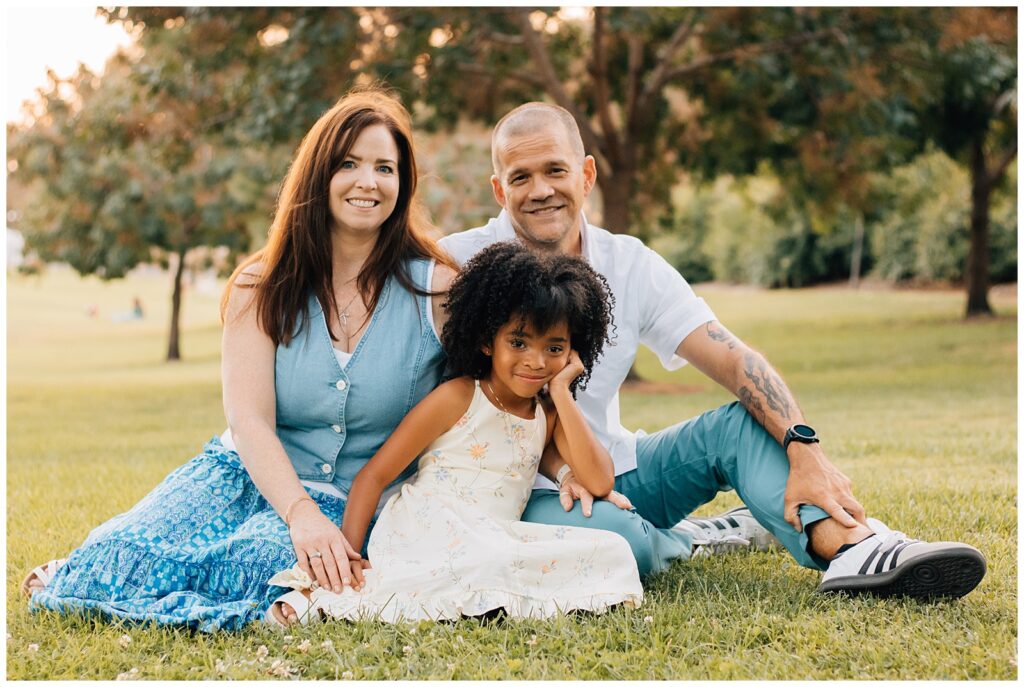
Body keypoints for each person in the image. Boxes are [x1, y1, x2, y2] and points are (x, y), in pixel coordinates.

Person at [438, 102, 987, 600]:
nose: (540, 190)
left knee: (742, 427)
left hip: (616, 471)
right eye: (521, 177)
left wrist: (806, 449)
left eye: (555, 170)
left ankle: (855, 548)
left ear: (585, 174)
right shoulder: (455, 267)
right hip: (517, 493)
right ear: (498, 189)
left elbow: (731, 358)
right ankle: (697, 537)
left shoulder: (629, 264)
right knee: (622, 542)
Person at [22, 87, 460, 631]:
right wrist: (298, 515)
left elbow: (487, 398)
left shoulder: (437, 291)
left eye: (384, 167)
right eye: (348, 163)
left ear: (403, 182)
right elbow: (249, 420)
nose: (367, 182)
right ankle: (91, 569)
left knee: (255, 565)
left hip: (352, 498)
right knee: (115, 555)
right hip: (243, 472)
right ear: (318, 175)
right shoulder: (262, 284)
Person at [266, 241, 643, 624]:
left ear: (572, 353)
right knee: (488, 559)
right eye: (518, 342)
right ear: (486, 341)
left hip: (494, 535)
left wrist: (561, 392)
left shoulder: (548, 411)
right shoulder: (460, 396)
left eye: (555, 348)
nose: (536, 361)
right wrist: (351, 555)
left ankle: (475, 598)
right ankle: (324, 603)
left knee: (612, 549)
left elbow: (599, 480)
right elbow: (374, 476)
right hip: (430, 525)